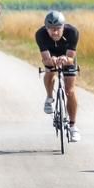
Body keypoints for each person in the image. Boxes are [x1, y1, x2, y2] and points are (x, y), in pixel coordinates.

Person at [35, 10, 80, 143]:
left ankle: (73, 127)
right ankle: (49, 97)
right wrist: (52, 60)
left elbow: (71, 58)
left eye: (57, 29)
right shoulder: (40, 34)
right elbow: (45, 59)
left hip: (67, 58)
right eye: (51, 29)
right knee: (49, 73)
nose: (54, 32)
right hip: (51, 57)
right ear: (46, 28)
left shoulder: (72, 32)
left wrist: (65, 59)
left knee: (70, 91)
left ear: (63, 27)